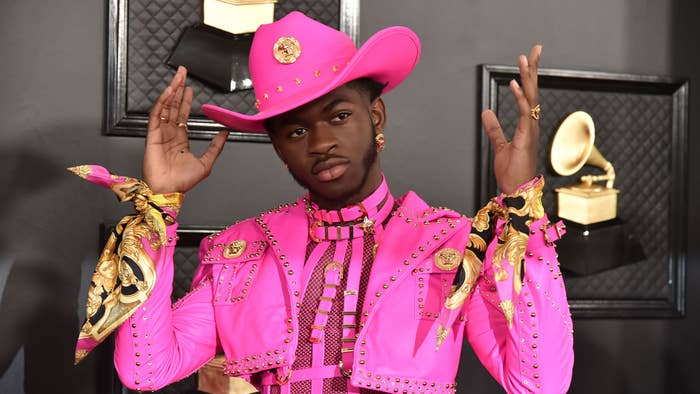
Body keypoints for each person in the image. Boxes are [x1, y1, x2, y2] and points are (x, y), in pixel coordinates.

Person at [71, 11, 573, 394]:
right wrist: (158, 209)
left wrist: (522, 204)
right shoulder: (240, 252)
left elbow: (539, 384)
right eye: (295, 130)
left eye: (338, 116)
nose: (319, 143)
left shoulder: (449, 243)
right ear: (278, 147)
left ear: (376, 116)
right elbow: (145, 370)